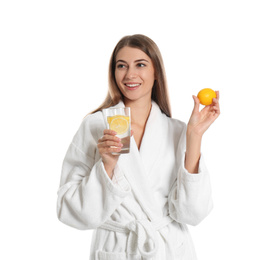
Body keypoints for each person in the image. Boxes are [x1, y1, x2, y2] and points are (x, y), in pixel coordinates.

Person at [57, 34, 220, 260]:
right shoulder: (96, 126)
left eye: (140, 65)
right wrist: (107, 167)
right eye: (121, 66)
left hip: (169, 249)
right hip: (117, 248)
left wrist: (194, 136)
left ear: (156, 73)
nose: (130, 74)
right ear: (114, 74)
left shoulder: (177, 130)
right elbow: (69, 210)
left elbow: (193, 213)